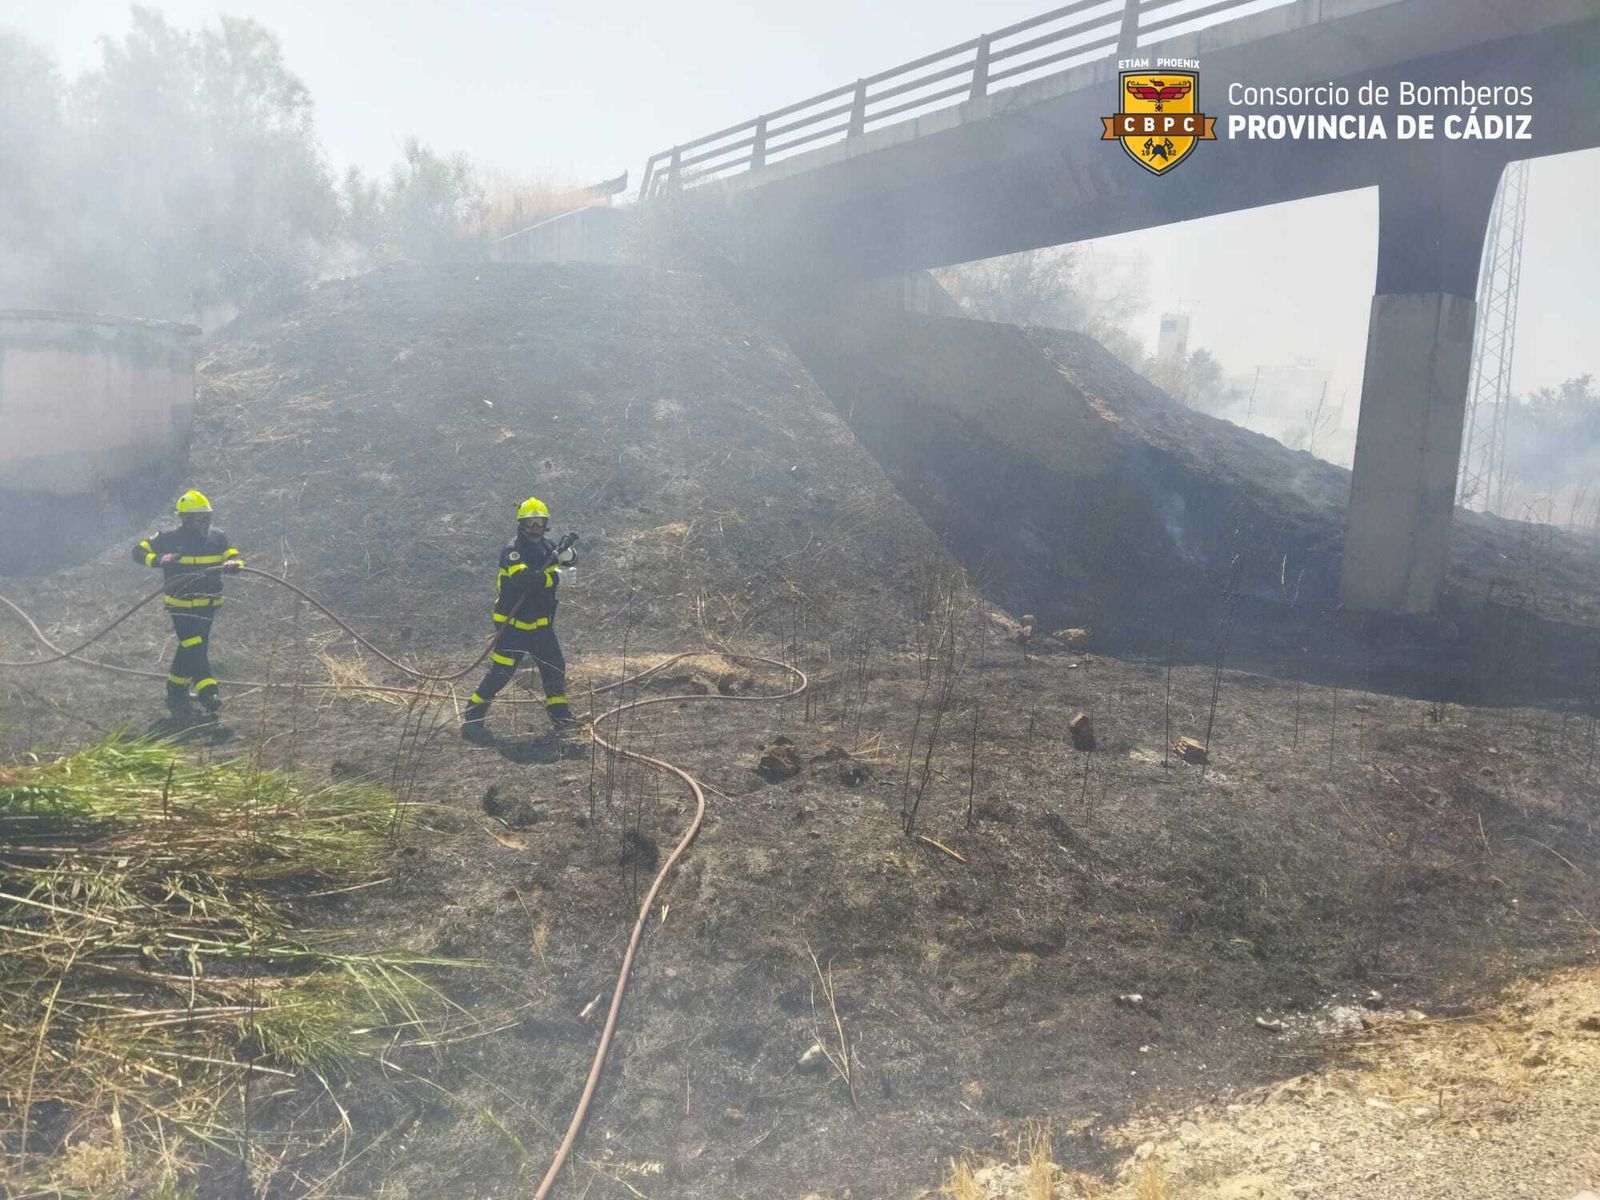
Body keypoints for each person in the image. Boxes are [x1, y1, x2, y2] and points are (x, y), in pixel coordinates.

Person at [462, 496, 579, 744]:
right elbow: (524, 580)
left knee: (554, 667)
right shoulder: (512, 551)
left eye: (539, 522)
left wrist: (570, 555)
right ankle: (473, 716)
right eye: (530, 523)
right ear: (520, 524)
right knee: (502, 673)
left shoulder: (547, 546)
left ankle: (561, 716)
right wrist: (557, 578)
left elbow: (563, 559)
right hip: (512, 626)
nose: (535, 528)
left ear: (546, 523)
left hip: (541, 627)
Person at [131, 489, 243, 717]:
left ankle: (176, 689)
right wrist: (159, 560)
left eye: (207, 517)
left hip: (208, 606)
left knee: (190, 649)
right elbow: (138, 552)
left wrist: (234, 563)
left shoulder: (217, 538)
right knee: (194, 646)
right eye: (200, 518)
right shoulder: (168, 538)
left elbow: (232, 553)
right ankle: (208, 691)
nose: (205, 523)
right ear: (186, 519)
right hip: (180, 607)